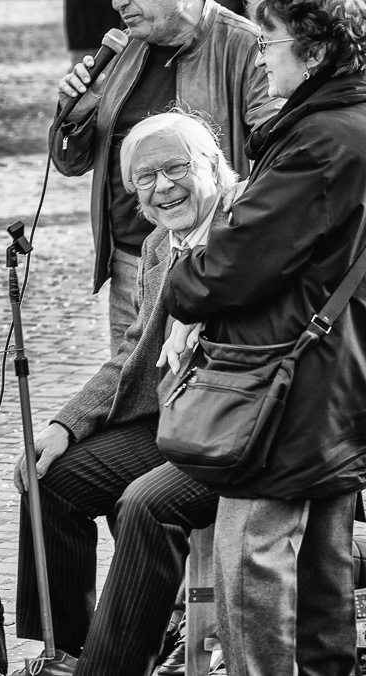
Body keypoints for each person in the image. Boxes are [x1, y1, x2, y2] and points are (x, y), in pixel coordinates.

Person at [162, 0, 366, 676]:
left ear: (315, 50)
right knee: (320, 587)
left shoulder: (321, 143)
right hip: (337, 384)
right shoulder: (356, 129)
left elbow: (230, 267)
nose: (259, 56)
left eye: (268, 43)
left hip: (292, 394)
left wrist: (181, 281)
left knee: (260, 583)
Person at [14, 111, 231, 676]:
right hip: (178, 416)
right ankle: (67, 651)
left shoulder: (245, 226)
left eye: (176, 168)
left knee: (143, 504)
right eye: (145, 178)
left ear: (212, 164)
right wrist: (66, 424)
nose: (163, 187)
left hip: (235, 424)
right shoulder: (161, 244)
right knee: (49, 480)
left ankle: (113, 667)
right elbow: (132, 354)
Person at [50, 0, 278, 351]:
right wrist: (74, 115)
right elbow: (71, 161)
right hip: (129, 266)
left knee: (194, 408)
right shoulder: (121, 50)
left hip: (207, 266)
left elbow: (282, 153)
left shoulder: (246, 48)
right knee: (128, 406)